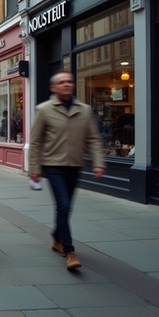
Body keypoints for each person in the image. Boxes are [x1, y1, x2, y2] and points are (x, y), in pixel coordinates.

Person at [29, 71, 106, 270]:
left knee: (66, 207)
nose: (66, 84)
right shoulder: (44, 109)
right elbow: (36, 142)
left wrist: (98, 162)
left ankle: (56, 237)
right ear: (53, 88)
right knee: (63, 205)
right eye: (61, 82)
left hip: (75, 165)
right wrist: (34, 170)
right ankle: (69, 250)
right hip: (52, 166)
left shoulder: (85, 110)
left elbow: (93, 139)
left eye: (69, 81)